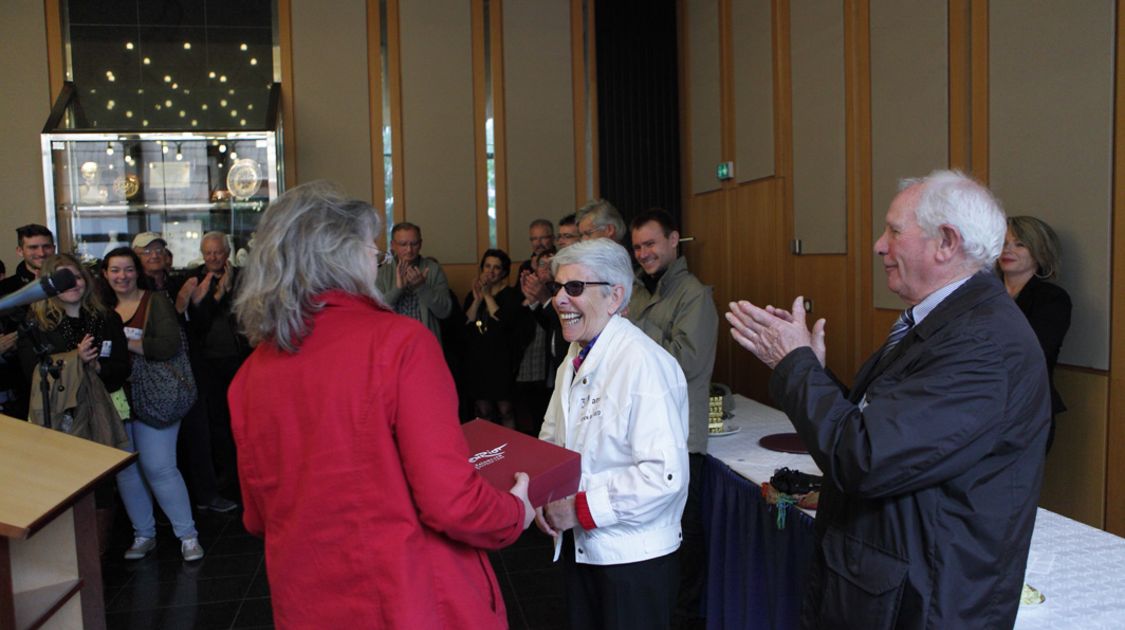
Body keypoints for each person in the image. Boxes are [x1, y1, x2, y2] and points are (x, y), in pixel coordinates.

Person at [726, 170, 1050, 629]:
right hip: (890, 585)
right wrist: (808, 371)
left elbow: (865, 458)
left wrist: (796, 366)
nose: (879, 245)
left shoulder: (983, 344)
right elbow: (879, 431)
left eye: (894, 231)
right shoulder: (951, 323)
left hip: (924, 603)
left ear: (946, 243)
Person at [228, 181, 535, 629]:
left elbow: (258, 518)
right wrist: (515, 511)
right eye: (371, 247)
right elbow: (451, 503)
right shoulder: (399, 343)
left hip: (306, 600)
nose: (377, 257)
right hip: (404, 595)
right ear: (342, 256)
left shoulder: (250, 374)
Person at [536, 238, 689, 630]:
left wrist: (579, 509)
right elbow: (552, 440)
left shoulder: (643, 364)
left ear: (614, 296)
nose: (560, 300)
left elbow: (665, 476)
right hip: (582, 547)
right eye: (557, 288)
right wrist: (541, 494)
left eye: (574, 288)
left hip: (633, 561)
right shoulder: (573, 359)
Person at [626, 209, 718, 627]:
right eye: (638, 247)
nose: (644, 253)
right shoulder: (643, 294)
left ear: (674, 241)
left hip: (682, 441)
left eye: (651, 244)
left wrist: (634, 334)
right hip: (643, 437)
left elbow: (685, 364)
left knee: (684, 547)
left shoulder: (694, 295)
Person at [18, 253, 130, 554]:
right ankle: (68, 560)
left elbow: (122, 367)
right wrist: (74, 362)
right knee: (65, 489)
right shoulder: (36, 325)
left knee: (104, 489)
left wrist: (97, 370)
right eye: (64, 279)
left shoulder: (106, 318)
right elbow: (31, 371)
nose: (74, 284)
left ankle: (95, 564)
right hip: (60, 422)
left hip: (102, 413)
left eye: (78, 277)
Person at [101, 247, 204, 562]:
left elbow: (169, 344)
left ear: (138, 271)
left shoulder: (155, 301)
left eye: (128, 269)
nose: (122, 276)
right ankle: (143, 534)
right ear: (105, 275)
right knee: (126, 471)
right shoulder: (100, 309)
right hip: (116, 398)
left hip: (157, 395)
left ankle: (187, 536)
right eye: (115, 270)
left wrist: (125, 344)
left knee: (159, 467)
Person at [133, 232, 236, 514]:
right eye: (147, 251)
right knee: (162, 445)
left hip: (188, 367)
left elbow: (199, 324)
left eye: (158, 250)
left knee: (199, 432)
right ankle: (166, 506)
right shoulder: (133, 287)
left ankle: (206, 494)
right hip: (150, 374)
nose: (154, 255)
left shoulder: (181, 281)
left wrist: (212, 296)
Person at [999, 216, 1072, 452]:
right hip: (976, 406)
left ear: (1039, 252)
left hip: (1028, 410)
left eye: (1019, 244)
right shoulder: (980, 292)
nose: (1007, 250)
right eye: (1003, 242)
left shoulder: (1052, 299)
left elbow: (1033, 352)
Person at [183, 232, 248, 495]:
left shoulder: (243, 277)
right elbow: (196, 322)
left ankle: (243, 473)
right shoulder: (194, 279)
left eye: (218, 252)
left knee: (241, 418)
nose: (213, 257)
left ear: (228, 252)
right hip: (208, 361)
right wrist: (218, 294)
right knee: (216, 420)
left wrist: (230, 290)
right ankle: (225, 475)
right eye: (208, 252)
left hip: (240, 357)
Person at [462, 248, 529, 429]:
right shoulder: (475, 294)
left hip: (502, 360)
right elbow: (467, 321)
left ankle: (512, 447)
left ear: (504, 272)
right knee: (483, 410)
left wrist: (487, 295)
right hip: (478, 359)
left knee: (505, 409)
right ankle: (488, 448)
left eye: (496, 268)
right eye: (487, 266)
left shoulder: (512, 295)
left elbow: (501, 320)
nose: (490, 271)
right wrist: (477, 298)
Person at [1, 224, 57, 419]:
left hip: (62, 377)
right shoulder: (5, 290)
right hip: (17, 387)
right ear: (20, 251)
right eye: (33, 247)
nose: (41, 253)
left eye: (46, 246)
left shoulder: (68, 285)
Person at [375, 222, 454, 343]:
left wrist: (422, 287)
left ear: (421, 244)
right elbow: (375, 313)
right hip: (392, 343)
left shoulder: (432, 269)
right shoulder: (382, 272)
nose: (409, 250)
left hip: (424, 342)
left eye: (414, 244)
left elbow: (445, 311)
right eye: (403, 244)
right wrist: (398, 289)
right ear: (393, 246)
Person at [515, 219, 557, 433]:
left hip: (555, 340)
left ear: (553, 238)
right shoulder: (525, 267)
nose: (539, 243)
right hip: (530, 341)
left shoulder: (560, 265)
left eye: (543, 237)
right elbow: (519, 304)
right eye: (534, 238)